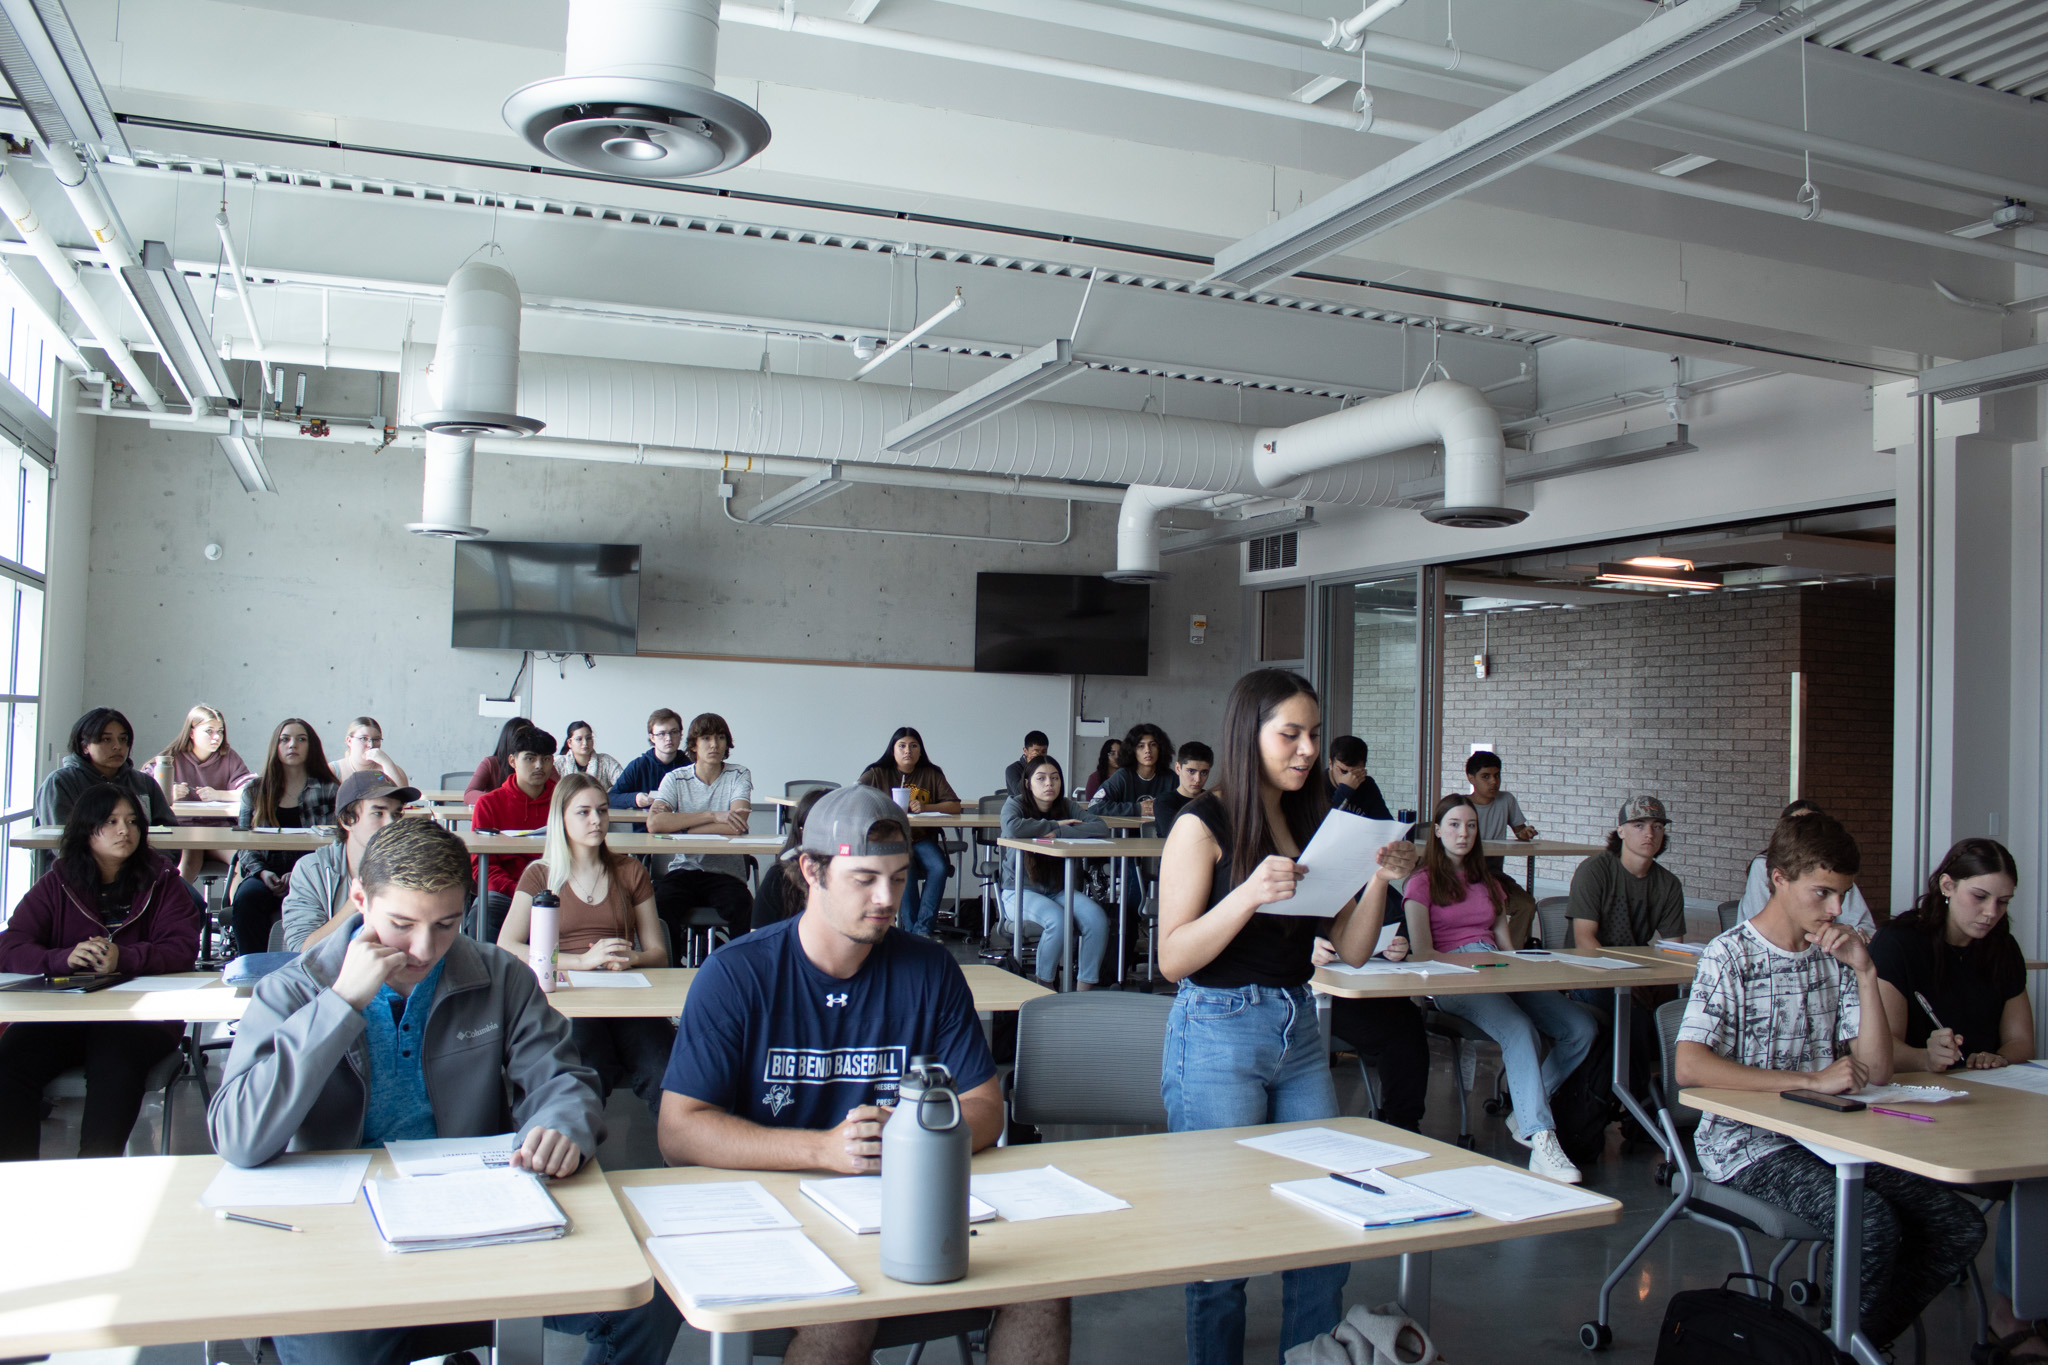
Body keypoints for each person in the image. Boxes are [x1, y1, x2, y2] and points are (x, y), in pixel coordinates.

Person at [206, 819, 652, 1365]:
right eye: (401, 924)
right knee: (340, 1352)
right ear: (359, 900)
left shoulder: (499, 976)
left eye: (446, 924)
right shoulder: (295, 991)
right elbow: (238, 1137)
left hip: (476, 1219)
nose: (423, 948)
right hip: (339, 1242)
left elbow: (561, 1077)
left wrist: (562, 1124)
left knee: (646, 1296)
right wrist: (340, 1004)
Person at [660, 783, 1070, 1365]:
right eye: (865, 880)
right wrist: (824, 1150)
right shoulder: (736, 975)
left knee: (1043, 1291)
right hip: (779, 1214)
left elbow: (982, 1107)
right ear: (811, 871)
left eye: (900, 878)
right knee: (846, 1315)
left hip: (908, 1204)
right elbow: (678, 1133)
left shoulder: (930, 970)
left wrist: (914, 1138)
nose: (887, 898)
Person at [1157, 668, 1416, 1365]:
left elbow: (1354, 951)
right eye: (1290, 734)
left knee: (1323, 1229)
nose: (1306, 749)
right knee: (1222, 1242)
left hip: (1298, 1026)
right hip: (1216, 1026)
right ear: (1251, 734)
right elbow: (1172, 958)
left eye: (1311, 734)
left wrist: (1383, 879)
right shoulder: (1201, 822)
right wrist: (1244, 895)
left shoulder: (1312, 818)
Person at [1675, 811, 1984, 1352]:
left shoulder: (1835, 957)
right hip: (1747, 1143)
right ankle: (1840, 1348)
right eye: (1822, 893)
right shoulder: (1730, 955)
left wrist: (1865, 973)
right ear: (1779, 878)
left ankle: (1843, 1346)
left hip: (1828, 1137)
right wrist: (1811, 1080)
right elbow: (1689, 1066)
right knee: (1872, 1223)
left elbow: (1879, 1071)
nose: (1837, 909)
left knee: (1959, 1224)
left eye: (1842, 894)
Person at [1870, 838, 2038, 1358]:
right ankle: (2011, 1317)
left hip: (1984, 1102)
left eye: (2003, 902)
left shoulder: (2001, 948)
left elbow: (2022, 1042)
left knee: (2039, 1171)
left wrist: (1995, 1058)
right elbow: (1882, 1054)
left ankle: (2023, 1306)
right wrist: (1925, 1055)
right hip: (1913, 1110)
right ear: (1947, 887)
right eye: (1980, 898)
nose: (1991, 913)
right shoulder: (1899, 944)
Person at [1404, 793, 1597, 1184]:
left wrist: (1529, 969)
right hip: (1452, 977)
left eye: (1471, 826)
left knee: (1580, 1028)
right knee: (1519, 1029)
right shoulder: (1421, 882)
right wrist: (1478, 966)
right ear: (1437, 831)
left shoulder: (1488, 882)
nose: (1464, 833)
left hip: (1496, 967)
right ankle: (1541, 1138)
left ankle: (1522, 1112)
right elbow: (1423, 953)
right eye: (1455, 825)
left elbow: (1505, 944)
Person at [0, 786, 200, 1159]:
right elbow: (10, 946)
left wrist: (122, 957)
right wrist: (62, 959)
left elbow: (181, 950)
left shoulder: (163, 881)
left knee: (114, 1062)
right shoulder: (58, 882)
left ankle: (93, 1173)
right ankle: (15, 1179)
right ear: (86, 831)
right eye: (110, 822)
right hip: (66, 1015)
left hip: (141, 1019)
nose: (125, 830)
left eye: (132, 821)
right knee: (10, 1057)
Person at [500, 773, 672, 1116]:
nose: (597, 820)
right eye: (584, 812)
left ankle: (682, 1163)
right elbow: (507, 945)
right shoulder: (541, 874)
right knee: (584, 1068)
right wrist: (581, 961)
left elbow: (658, 954)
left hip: (627, 996)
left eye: (603, 810)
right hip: (570, 999)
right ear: (561, 819)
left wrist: (632, 957)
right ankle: (574, 1162)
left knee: (667, 1070)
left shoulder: (630, 871)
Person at [1566, 794, 1686, 1111]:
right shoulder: (1595, 871)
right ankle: (1635, 1106)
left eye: (1657, 826)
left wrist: (1652, 982)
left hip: (1636, 979)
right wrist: (1633, 981)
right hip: (1586, 976)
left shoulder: (1668, 884)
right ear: (1620, 831)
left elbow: (1675, 949)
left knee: (1687, 1015)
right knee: (1638, 1024)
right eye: (1639, 825)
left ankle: (1670, 1104)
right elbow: (1585, 941)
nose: (1649, 834)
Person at [1000, 755, 1112, 989]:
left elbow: (1100, 827)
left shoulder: (1067, 806)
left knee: (1097, 919)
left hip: (1057, 889)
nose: (1049, 784)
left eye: (1055, 778)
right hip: (1019, 891)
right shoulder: (1015, 804)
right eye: (1041, 778)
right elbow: (1012, 828)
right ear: (1028, 783)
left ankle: (1083, 989)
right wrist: (1055, 825)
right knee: (1058, 921)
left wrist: (1061, 834)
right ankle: (1045, 986)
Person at [647, 711, 756, 947]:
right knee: (661, 904)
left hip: (725, 874)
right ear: (694, 745)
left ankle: (736, 974)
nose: (714, 744)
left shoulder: (738, 774)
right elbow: (655, 823)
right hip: (683, 869)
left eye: (720, 738)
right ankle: (671, 972)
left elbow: (737, 825)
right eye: (706, 738)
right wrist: (712, 815)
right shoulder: (675, 779)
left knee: (742, 905)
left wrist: (682, 827)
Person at [232, 718, 339, 957]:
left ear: (311, 747)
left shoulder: (330, 789)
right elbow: (244, 844)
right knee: (247, 898)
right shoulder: (254, 790)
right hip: (265, 870)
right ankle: (252, 969)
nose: (293, 745)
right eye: (285, 739)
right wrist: (261, 872)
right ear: (276, 746)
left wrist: (303, 871)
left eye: (301, 739)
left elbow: (337, 843)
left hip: (312, 872)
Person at [279, 771, 417, 953]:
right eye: (378, 813)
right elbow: (303, 951)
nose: (391, 824)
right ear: (347, 820)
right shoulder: (312, 870)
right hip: (330, 978)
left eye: (396, 814)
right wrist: (359, 900)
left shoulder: (412, 868)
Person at [856, 727, 962, 936]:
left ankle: (921, 930)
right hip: (891, 841)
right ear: (892, 750)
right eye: (902, 746)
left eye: (914, 746)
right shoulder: (878, 773)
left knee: (939, 867)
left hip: (921, 838)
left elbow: (955, 806)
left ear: (920, 751)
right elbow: (855, 795)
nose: (908, 751)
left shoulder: (931, 774)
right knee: (907, 869)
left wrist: (927, 807)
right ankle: (913, 933)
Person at [1736, 799, 1876, 936]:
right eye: (1797, 829)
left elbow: (1865, 928)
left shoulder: (1833, 870)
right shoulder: (1763, 865)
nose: (1837, 910)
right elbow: (1762, 927)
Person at [469, 725, 558, 942]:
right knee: (483, 912)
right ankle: (490, 974)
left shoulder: (564, 801)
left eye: (546, 759)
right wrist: (519, 891)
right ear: (512, 761)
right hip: (505, 892)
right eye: (530, 758)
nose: (539, 765)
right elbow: (482, 866)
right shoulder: (489, 804)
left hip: (556, 888)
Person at [150, 703, 255, 881]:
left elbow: (252, 791)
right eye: (209, 731)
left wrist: (218, 795)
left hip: (219, 831)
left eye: (220, 731)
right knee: (187, 864)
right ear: (191, 732)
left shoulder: (228, 756)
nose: (216, 737)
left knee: (244, 863)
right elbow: (144, 790)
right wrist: (168, 793)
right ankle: (183, 908)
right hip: (184, 831)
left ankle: (234, 908)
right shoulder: (170, 757)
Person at [35, 706, 177, 830]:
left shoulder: (144, 783)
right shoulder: (61, 782)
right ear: (85, 746)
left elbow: (169, 832)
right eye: (106, 740)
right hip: (80, 861)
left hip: (142, 860)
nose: (117, 746)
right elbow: (60, 841)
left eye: (123, 739)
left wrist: (154, 859)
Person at [1465, 750, 1539, 947]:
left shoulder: (1506, 800)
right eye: (1485, 776)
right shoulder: (1462, 805)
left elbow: (1519, 830)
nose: (1493, 782)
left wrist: (1524, 834)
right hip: (1466, 873)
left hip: (1494, 873)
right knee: (1485, 907)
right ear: (1471, 778)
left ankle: (1510, 952)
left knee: (1526, 905)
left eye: (1497, 775)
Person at [751, 787, 828, 929]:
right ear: (801, 831)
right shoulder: (780, 876)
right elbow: (758, 937)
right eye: (819, 830)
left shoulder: (852, 876)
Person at [1090, 722, 1175, 823]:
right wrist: (1138, 809)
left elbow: (1188, 806)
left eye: (1153, 745)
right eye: (1141, 746)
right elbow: (1095, 805)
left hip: (1162, 836)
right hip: (1126, 835)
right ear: (1133, 751)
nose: (1148, 750)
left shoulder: (1171, 777)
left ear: (1160, 749)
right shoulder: (1123, 776)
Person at [609, 708, 688, 811]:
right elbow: (610, 798)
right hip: (645, 825)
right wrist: (635, 799)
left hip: (680, 825)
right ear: (652, 738)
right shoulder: (638, 766)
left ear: (681, 735)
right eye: (661, 734)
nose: (668, 738)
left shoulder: (689, 766)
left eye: (674, 732)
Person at [464, 716, 533, 809]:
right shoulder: (491, 763)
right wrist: (499, 798)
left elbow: (559, 792)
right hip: (498, 815)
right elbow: (469, 794)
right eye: (520, 737)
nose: (524, 742)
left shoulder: (541, 764)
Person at [1326, 735, 1392, 821]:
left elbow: (1385, 823)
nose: (1351, 777)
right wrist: (1345, 789)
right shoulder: (1317, 785)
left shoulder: (1367, 785)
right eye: (1344, 771)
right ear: (1330, 764)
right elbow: (1321, 825)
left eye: (1356, 772)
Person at [332, 715, 409, 788]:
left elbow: (403, 799)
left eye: (376, 739)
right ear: (349, 741)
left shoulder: (392, 770)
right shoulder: (333, 770)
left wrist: (386, 762)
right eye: (364, 738)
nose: (371, 745)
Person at [1153, 740, 1213, 831]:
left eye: (1204, 772)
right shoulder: (1164, 802)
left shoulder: (1212, 801)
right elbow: (1177, 836)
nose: (1198, 779)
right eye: (1191, 771)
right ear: (1178, 768)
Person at [555, 720, 622, 789]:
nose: (585, 743)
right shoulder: (559, 763)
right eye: (579, 739)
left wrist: (610, 793)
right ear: (569, 743)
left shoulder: (606, 761)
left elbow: (624, 784)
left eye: (588, 738)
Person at [1004, 729, 1051, 796]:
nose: (1040, 758)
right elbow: (1019, 793)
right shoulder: (1013, 769)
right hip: (1021, 806)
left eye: (1044, 752)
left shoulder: (1050, 768)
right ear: (1025, 751)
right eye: (1036, 754)